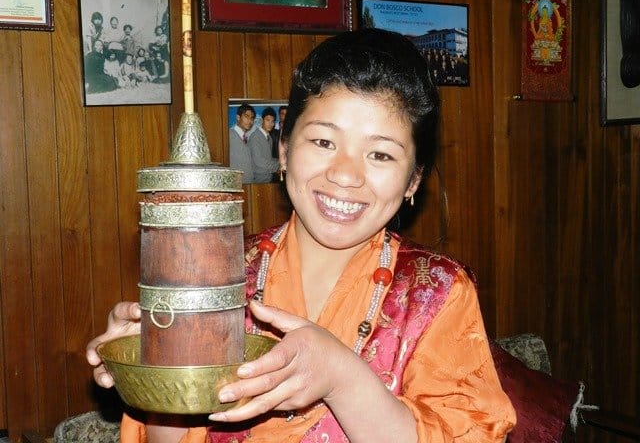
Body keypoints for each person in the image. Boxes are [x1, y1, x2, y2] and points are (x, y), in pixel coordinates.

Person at [86, 28, 516, 443]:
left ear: (412, 182)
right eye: (324, 142)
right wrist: (156, 369)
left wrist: (341, 377)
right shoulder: (212, 278)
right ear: (284, 150)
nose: (345, 174)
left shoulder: (436, 293)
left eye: (381, 153)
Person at [248, 107, 281, 183]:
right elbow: (259, 161)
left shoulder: (269, 138)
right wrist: (278, 166)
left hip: (268, 178)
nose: (270, 124)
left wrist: (280, 161)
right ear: (262, 120)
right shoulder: (255, 137)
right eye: (268, 120)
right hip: (258, 180)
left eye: (272, 121)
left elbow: (268, 159)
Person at [229, 103, 256, 183]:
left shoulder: (246, 137)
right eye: (246, 116)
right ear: (238, 117)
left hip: (248, 183)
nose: (250, 121)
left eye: (252, 118)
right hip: (236, 184)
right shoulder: (230, 135)